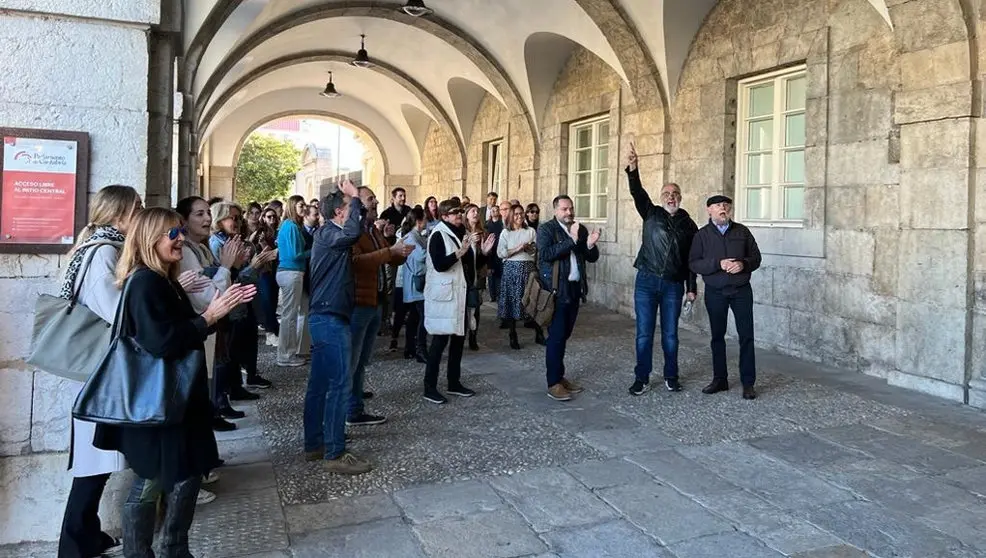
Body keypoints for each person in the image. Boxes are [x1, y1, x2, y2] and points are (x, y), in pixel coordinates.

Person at [96, 207, 255, 557]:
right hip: (160, 403)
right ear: (150, 238)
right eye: (172, 233)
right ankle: (144, 551)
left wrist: (216, 313)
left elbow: (182, 329)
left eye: (180, 232)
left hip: (178, 402)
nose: (180, 239)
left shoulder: (162, 280)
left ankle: (174, 548)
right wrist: (210, 315)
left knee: (186, 474)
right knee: (153, 482)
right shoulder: (145, 282)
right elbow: (162, 342)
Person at [57, 185, 143, 558]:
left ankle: (86, 533)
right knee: (94, 462)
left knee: (100, 461)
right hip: (99, 370)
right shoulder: (103, 253)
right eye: (137, 207)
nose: (141, 213)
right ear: (120, 213)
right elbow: (115, 310)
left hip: (103, 369)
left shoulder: (103, 249)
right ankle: (74, 543)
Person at [304, 179, 374, 474]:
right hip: (330, 318)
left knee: (320, 384)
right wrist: (355, 197)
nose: (354, 211)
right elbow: (354, 232)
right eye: (349, 208)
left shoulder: (327, 234)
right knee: (339, 384)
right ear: (338, 214)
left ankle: (315, 444)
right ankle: (334, 451)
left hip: (326, 316)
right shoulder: (331, 234)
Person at [625, 142, 699, 395]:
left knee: (670, 335)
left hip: (673, 285)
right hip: (646, 280)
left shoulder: (689, 225)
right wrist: (633, 169)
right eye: (667, 193)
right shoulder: (651, 213)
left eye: (675, 193)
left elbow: (692, 260)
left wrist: (691, 288)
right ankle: (642, 377)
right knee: (644, 334)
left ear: (680, 197)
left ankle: (671, 376)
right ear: (661, 197)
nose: (671, 196)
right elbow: (637, 192)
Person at [347, 187, 413, 426]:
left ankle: (355, 400)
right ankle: (351, 409)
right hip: (360, 302)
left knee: (362, 359)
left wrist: (400, 251)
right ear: (358, 205)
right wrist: (389, 251)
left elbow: (388, 255)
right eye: (370, 199)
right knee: (352, 359)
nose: (375, 202)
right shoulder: (353, 234)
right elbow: (355, 262)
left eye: (375, 198)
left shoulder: (373, 232)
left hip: (375, 302)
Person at [689, 194, 762, 400]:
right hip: (716, 292)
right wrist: (717, 264)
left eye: (726, 206)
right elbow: (694, 263)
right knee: (717, 337)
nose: (723, 209)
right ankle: (720, 379)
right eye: (718, 206)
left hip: (741, 291)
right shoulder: (702, 235)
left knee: (746, 336)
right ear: (709, 210)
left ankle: (748, 383)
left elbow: (756, 257)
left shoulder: (742, 231)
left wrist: (743, 264)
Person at [422, 199, 495, 404]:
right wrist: (459, 252)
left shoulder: (461, 232)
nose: (459, 215)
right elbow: (439, 264)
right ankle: (430, 387)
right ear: (444, 216)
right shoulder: (438, 234)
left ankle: (454, 382)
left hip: (461, 293)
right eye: (455, 213)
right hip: (445, 297)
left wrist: (484, 254)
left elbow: (469, 263)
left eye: (460, 212)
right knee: (439, 342)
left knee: (458, 340)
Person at [537, 195, 601, 402]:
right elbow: (546, 254)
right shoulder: (547, 230)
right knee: (555, 337)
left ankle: (560, 376)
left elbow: (590, 257)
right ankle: (553, 383)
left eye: (571, 208)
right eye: (564, 209)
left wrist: (590, 244)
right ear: (555, 210)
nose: (569, 212)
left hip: (574, 289)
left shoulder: (578, 229)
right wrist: (571, 240)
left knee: (564, 336)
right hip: (557, 290)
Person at [497, 204, 544, 349]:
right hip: (512, 268)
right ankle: (512, 333)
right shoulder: (506, 233)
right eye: (516, 214)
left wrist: (530, 249)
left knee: (534, 300)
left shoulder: (530, 231)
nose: (519, 216)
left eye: (521, 213)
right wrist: (518, 248)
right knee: (512, 301)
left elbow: (536, 252)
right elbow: (501, 253)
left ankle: (539, 332)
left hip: (529, 268)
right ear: (511, 216)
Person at [275, 195, 311, 367]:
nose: (304, 208)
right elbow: (294, 254)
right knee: (289, 315)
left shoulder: (292, 226)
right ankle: (285, 354)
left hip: (293, 272)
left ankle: (293, 350)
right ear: (292, 207)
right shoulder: (290, 226)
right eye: (301, 205)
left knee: (294, 313)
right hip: (291, 271)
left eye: (304, 205)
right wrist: (313, 251)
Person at [401, 206, 430, 363]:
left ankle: (410, 347)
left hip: (414, 282)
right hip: (416, 283)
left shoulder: (416, 235)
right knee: (422, 317)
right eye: (425, 218)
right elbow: (420, 256)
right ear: (419, 221)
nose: (427, 221)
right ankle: (420, 349)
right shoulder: (412, 237)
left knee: (414, 317)